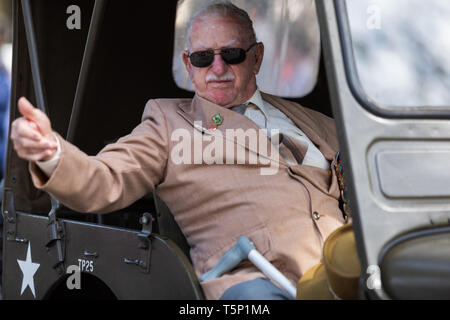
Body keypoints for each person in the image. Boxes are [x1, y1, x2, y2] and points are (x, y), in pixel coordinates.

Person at [10, 2, 347, 300]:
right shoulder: (169, 123)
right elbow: (106, 177)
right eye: (203, 58)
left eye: (231, 54)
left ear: (256, 57)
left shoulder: (308, 119)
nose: (217, 69)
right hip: (260, 281)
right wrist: (51, 152)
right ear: (188, 64)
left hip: (354, 266)